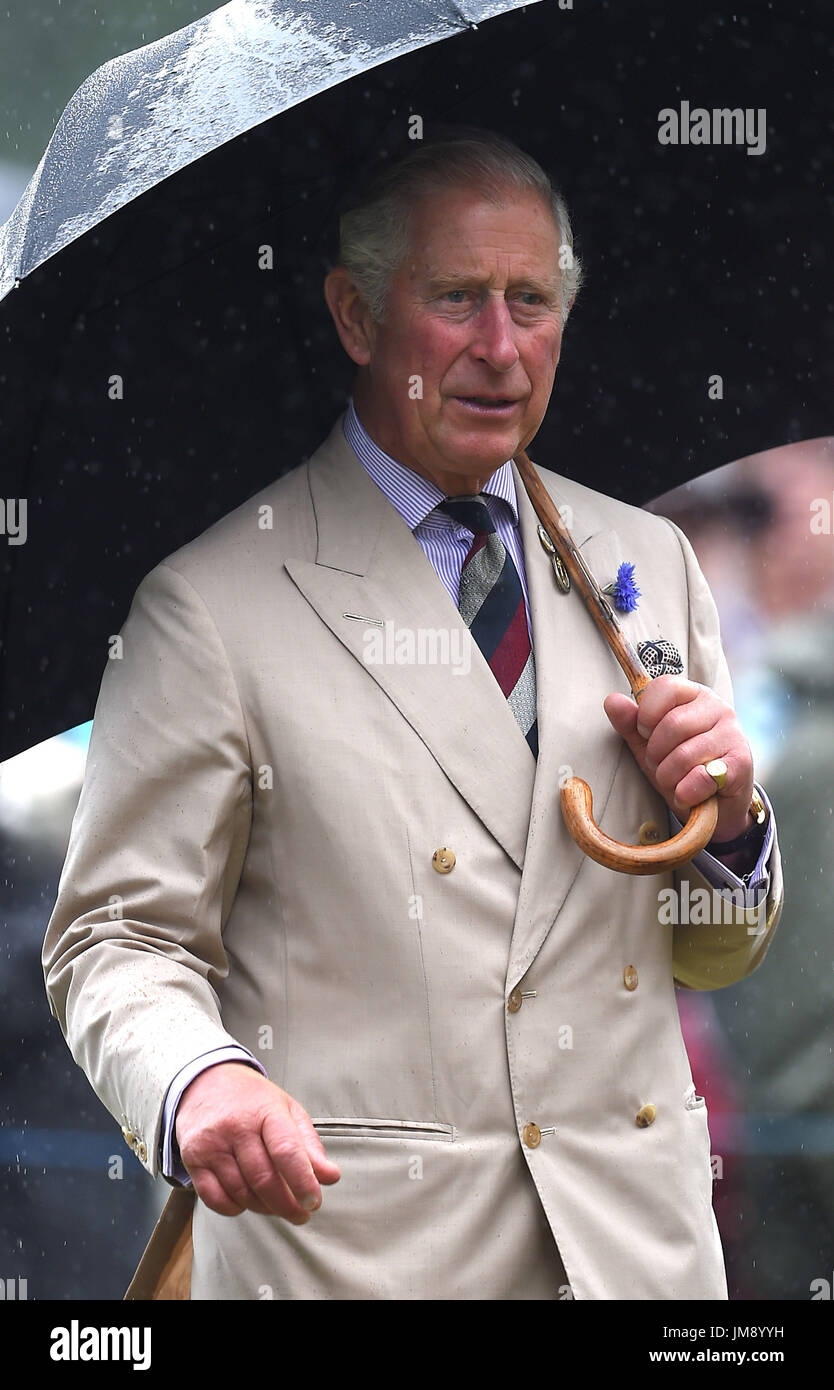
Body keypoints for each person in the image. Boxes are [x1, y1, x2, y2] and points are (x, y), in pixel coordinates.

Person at [42, 128, 783, 1301]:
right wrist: (199, 1079)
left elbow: (708, 949)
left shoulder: (651, 559)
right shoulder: (209, 605)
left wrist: (734, 832)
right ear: (353, 315)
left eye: (532, 299)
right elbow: (116, 939)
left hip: (640, 1267)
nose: (501, 346)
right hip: (360, 1263)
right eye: (457, 298)